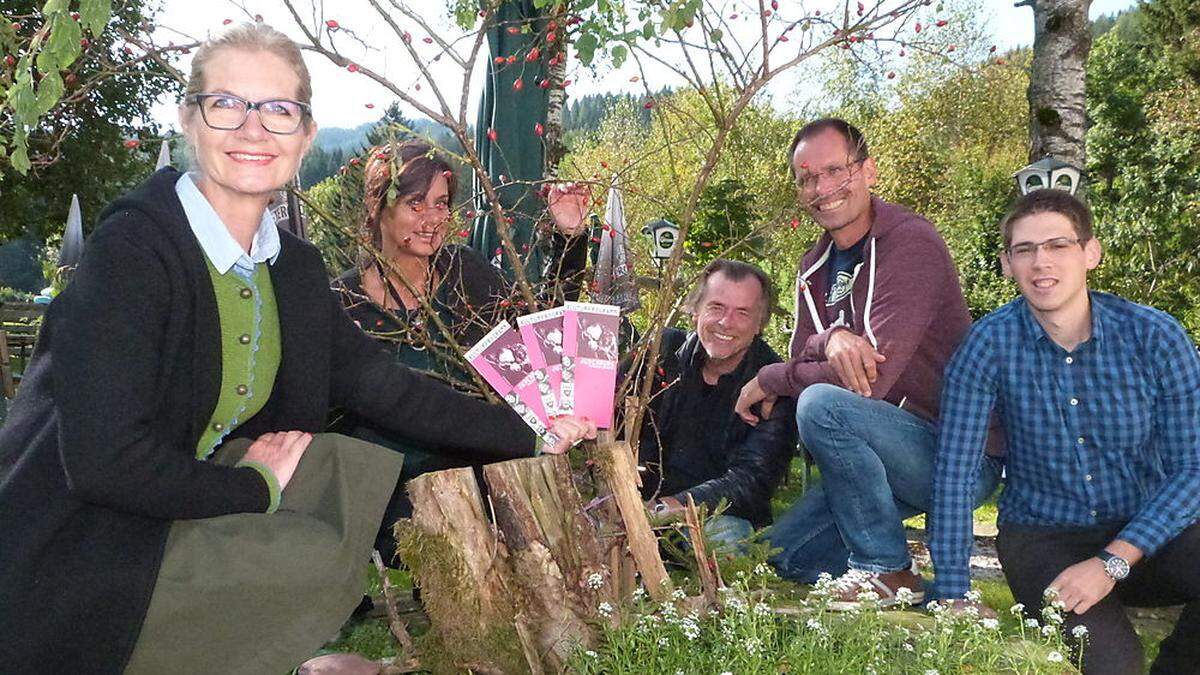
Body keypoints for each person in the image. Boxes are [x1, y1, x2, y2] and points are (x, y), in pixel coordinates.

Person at [0, 23, 594, 675]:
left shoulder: (291, 272)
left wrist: (533, 431)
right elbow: (104, 463)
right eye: (227, 103)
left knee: (337, 470)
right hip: (80, 540)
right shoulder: (132, 255)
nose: (253, 128)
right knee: (305, 527)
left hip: (178, 497)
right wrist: (250, 487)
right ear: (189, 121)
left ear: (305, 134)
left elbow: (387, 387)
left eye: (278, 109)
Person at [930, 189, 1200, 674]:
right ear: (1007, 263)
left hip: (1148, 533)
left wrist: (1112, 561)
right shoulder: (987, 346)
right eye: (1024, 250)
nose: (1041, 262)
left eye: (1057, 245)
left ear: (1090, 252)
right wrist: (953, 592)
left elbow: (1192, 470)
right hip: (1045, 536)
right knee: (1113, 668)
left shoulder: (1155, 337)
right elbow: (954, 473)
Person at [734, 118, 1001, 606]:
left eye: (836, 170)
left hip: (954, 453)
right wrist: (830, 338)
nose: (823, 187)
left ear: (868, 170)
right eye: (807, 177)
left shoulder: (910, 242)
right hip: (872, 458)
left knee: (821, 404)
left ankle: (885, 567)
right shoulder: (812, 267)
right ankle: (926, 590)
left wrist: (772, 376)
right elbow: (804, 352)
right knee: (784, 553)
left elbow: (867, 383)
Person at [332, 140, 590, 564]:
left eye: (442, 203)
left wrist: (568, 241)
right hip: (387, 495)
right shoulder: (344, 303)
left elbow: (542, 342)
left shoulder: (465, 274)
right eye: (416, 204)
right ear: (379, 205)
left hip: (481, 476)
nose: (433, 219)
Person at [637, 260, 797, 549]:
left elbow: (753, 481)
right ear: (696, 310)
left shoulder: (772, 384)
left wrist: (667, 508)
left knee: (726, 539)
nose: (726, 322)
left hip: (715, 515)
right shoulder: (662, 352)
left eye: (742, 313)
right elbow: (608, 408)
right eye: (717, 307)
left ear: (759, 324)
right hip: (639, 504)